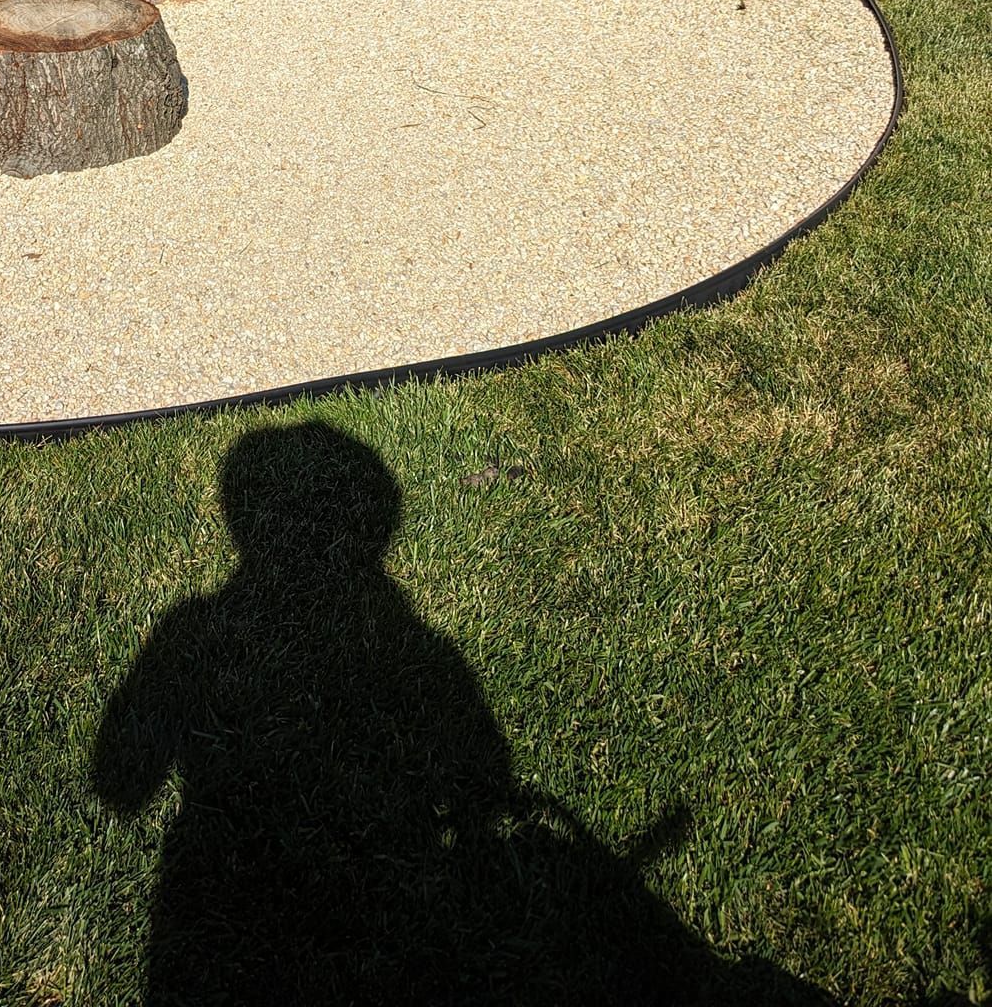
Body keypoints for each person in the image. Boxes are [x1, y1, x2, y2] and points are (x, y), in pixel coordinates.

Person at [92, 420, 833, 1007]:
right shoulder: (424, 650)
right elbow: (484, 773)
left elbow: (118, 784)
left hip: (214, 909)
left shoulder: (193, 629)